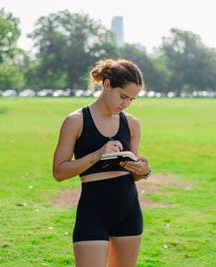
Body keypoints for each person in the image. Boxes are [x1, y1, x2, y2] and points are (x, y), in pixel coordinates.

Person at [52, 58, 152, 267]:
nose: (125, 103)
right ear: (107, 85)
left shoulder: (132, 123)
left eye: (131, 100)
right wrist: (98, 154)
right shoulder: (76, 121)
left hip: (129, 211)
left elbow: (134, 173)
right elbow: (59, 172)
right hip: (93, 213)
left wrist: (143, 171)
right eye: (123, 96)